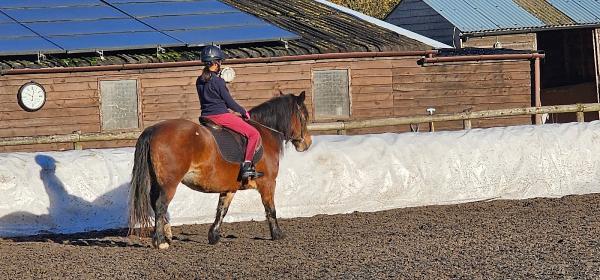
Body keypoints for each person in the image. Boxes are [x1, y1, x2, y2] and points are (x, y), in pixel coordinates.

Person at [196, 45, 263, 180]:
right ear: (215, 63)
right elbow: (229, 103)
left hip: (205, 116)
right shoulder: (218, 81)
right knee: (253, 134)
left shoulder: (199, 80)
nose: (220, 64)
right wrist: (243, 112)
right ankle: (246, 166)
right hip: (220, 116)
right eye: (220, 61)